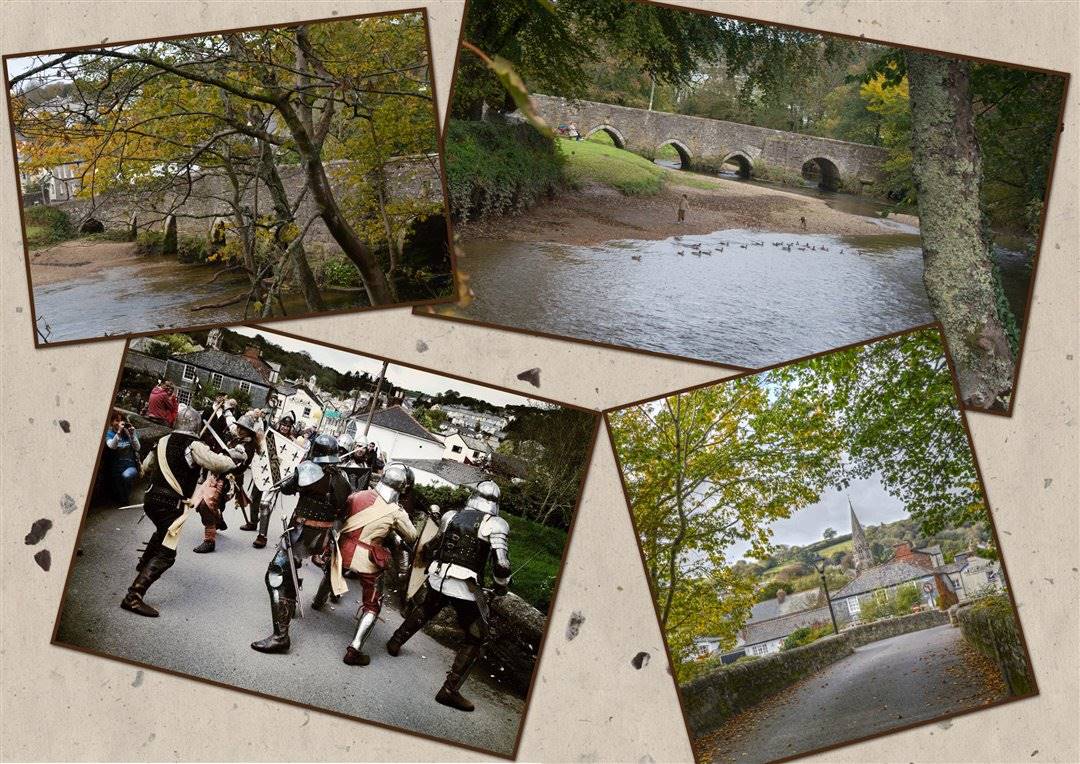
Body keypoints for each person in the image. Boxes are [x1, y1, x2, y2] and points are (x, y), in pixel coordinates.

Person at [386, 480, 511, 711]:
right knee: (476, 635)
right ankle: (449, 690)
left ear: (474, 495)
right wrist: (502, 586)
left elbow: (432, 545)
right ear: (496, 503)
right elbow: (501, 565)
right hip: (465, 586)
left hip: (439, 574)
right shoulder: (496, 524)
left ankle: (395, 641)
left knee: (426, 609)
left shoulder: (452, 515)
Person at [120, 405, 239, 617]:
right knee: (167, 554)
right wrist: (232, 457)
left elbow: (146, 468)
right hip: (170, 504)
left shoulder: (161, 441)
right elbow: (222, 465)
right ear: (196, 425)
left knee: (161, 531)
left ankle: (143, 564)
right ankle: (133, 596)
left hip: (151, 500)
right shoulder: (194, 445)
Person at [250, 434, 352, 654]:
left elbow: (286, 488)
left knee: (276, 576)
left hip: (301, 534)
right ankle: (291, 605)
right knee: (290, 570)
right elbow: (343, 508)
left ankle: (280, 636)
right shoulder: (343, 477)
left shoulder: (308, 470)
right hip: (322, 537)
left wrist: (297, 473)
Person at [315, 463, 418, 666]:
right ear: (403, 487)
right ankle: (355, 648)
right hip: (368, 560)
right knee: (372, 604)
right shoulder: (397, 511)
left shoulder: (358, 495)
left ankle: (318, 601)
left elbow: (339, 516)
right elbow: (412, 535)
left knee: (334, 570)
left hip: (343, 550)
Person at [193, 411, 260, 553]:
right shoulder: (236, 440)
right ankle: (218, 519)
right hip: (218, 476)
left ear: (249, 431)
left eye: (243, 428)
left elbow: (235, 461)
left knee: (207, 505)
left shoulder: (247, 447)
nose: (239, 429)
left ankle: (209, 541)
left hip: (229, 481)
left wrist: (224, 453)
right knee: (202, 504)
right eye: (239, 427)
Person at [104, 410, 141, 503]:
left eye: (121, 421)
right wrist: (119, 433)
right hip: (116, 468)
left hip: (130, 466)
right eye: (117, 420)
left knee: (126, 476)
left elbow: (137, 448)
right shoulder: (109, 434)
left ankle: (125, 497)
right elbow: (112, 446)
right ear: (111, 422)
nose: (119, 423)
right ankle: (122, 498)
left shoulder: (128, 433)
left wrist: (132, 435)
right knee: (119, 492)